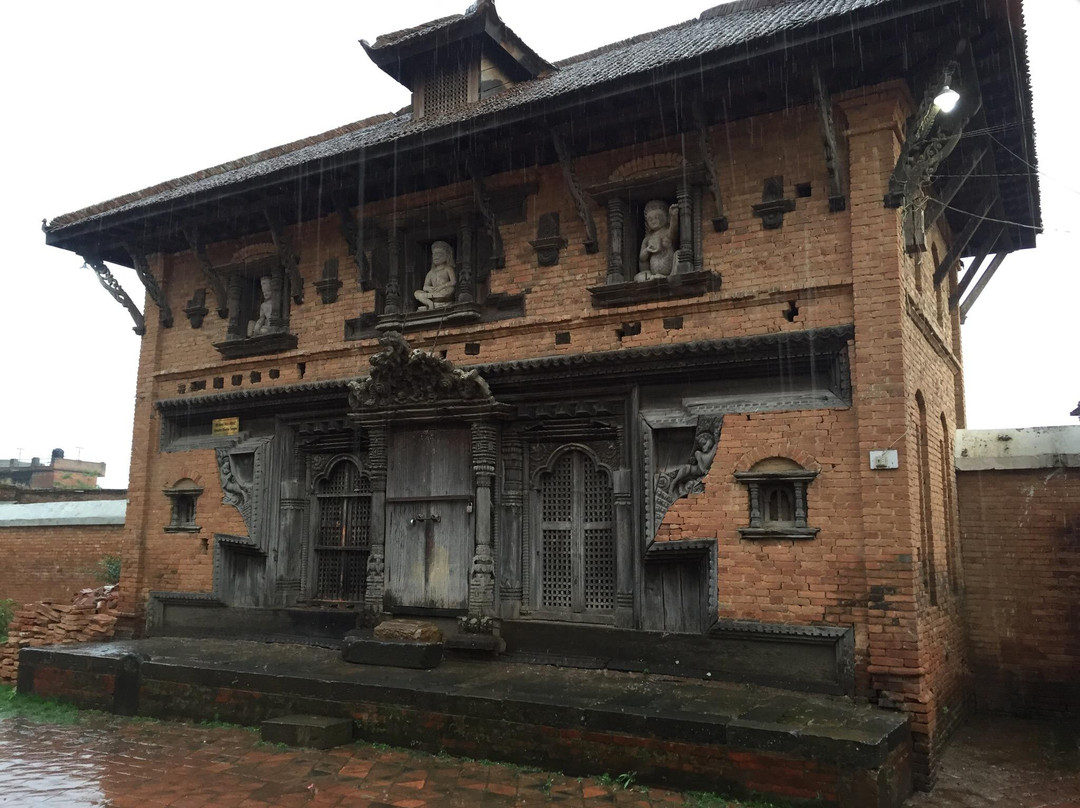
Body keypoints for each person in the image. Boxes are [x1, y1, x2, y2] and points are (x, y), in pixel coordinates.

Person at [634, 200, 680, 282]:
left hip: (669, 271)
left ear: (666, 217)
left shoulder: (667, 232)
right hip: (652, 274)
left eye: (657, 217)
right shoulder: (647, 239)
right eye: (650, 219)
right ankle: (651, 277)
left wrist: (673, 217)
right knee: (638, 277)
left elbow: (673, 232)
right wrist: (647, 250)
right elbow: (642, 258)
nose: (653, 221)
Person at [414, 241, 457, 310]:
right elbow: (425, 287)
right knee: (417, 293)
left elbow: (453, 282)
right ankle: (430, 303)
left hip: (443, 292)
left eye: (439, 254)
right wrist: (430, 289)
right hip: (433, 294)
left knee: (450, 290)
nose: (436, 256)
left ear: (447, 256)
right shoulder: (431, 272)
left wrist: (442, 286)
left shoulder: (448, 268)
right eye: (434, 254)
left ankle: (438, 304)